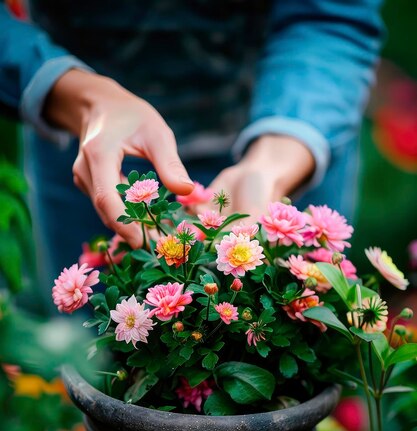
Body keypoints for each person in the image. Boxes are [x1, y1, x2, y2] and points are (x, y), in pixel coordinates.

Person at [0, 0, 383, 293]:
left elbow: (332, 15)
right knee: (94, 360)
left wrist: (270, 163)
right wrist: (74, 95)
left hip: (291, 132)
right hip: (92, 154)